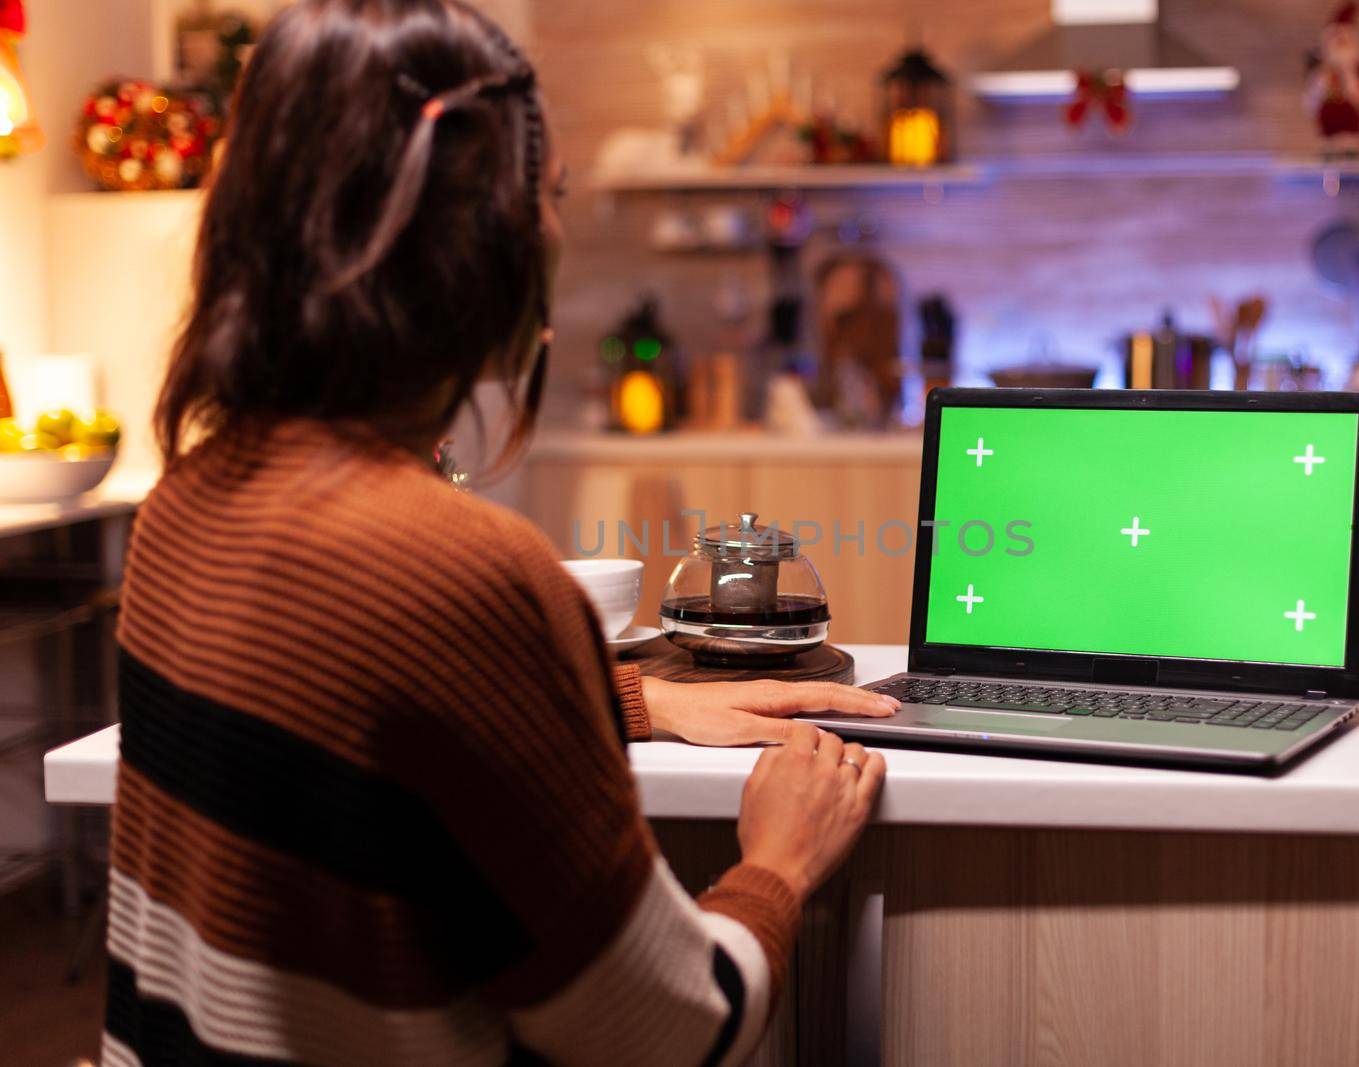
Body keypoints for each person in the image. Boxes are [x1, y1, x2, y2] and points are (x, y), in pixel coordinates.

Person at [104, 2, 891, 1064]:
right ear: (478, 242)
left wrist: (624, 700)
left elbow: (359, 706)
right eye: (550, 196)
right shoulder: (464, 572)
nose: (556, 230)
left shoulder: (186, 504)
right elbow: (665, 1031)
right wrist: (780, 863)